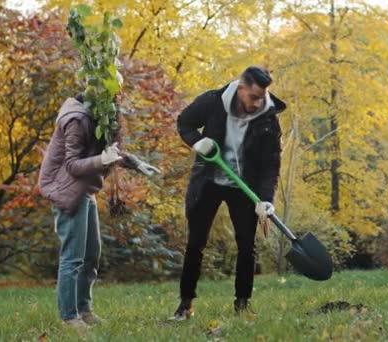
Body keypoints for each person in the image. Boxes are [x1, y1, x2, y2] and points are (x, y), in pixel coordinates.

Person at [38, 75, 159, 329]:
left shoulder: (101, 116)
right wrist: (101, 161)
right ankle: (69, 317)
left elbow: (110, 153)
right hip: (67, 190)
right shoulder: (76, 120)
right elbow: (71, 165)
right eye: (112, 92)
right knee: (73, 257)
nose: (117, 97)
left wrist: (136, 163)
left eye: (118, 92)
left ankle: (85, 309)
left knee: (92, 254)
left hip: (85, 189)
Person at [172, 66, 286, 320]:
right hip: (209, 182)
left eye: (262, 97)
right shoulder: (213, 102)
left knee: (247, 246)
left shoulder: (268, 118)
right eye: (253, 97)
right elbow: (184, 122)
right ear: (241, 88)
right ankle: (185, 304)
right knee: (196, 244)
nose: (258, 103)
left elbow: (271, 163)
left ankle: (242, 304)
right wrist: (196, 141)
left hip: (244, 187)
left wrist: (266, 200)